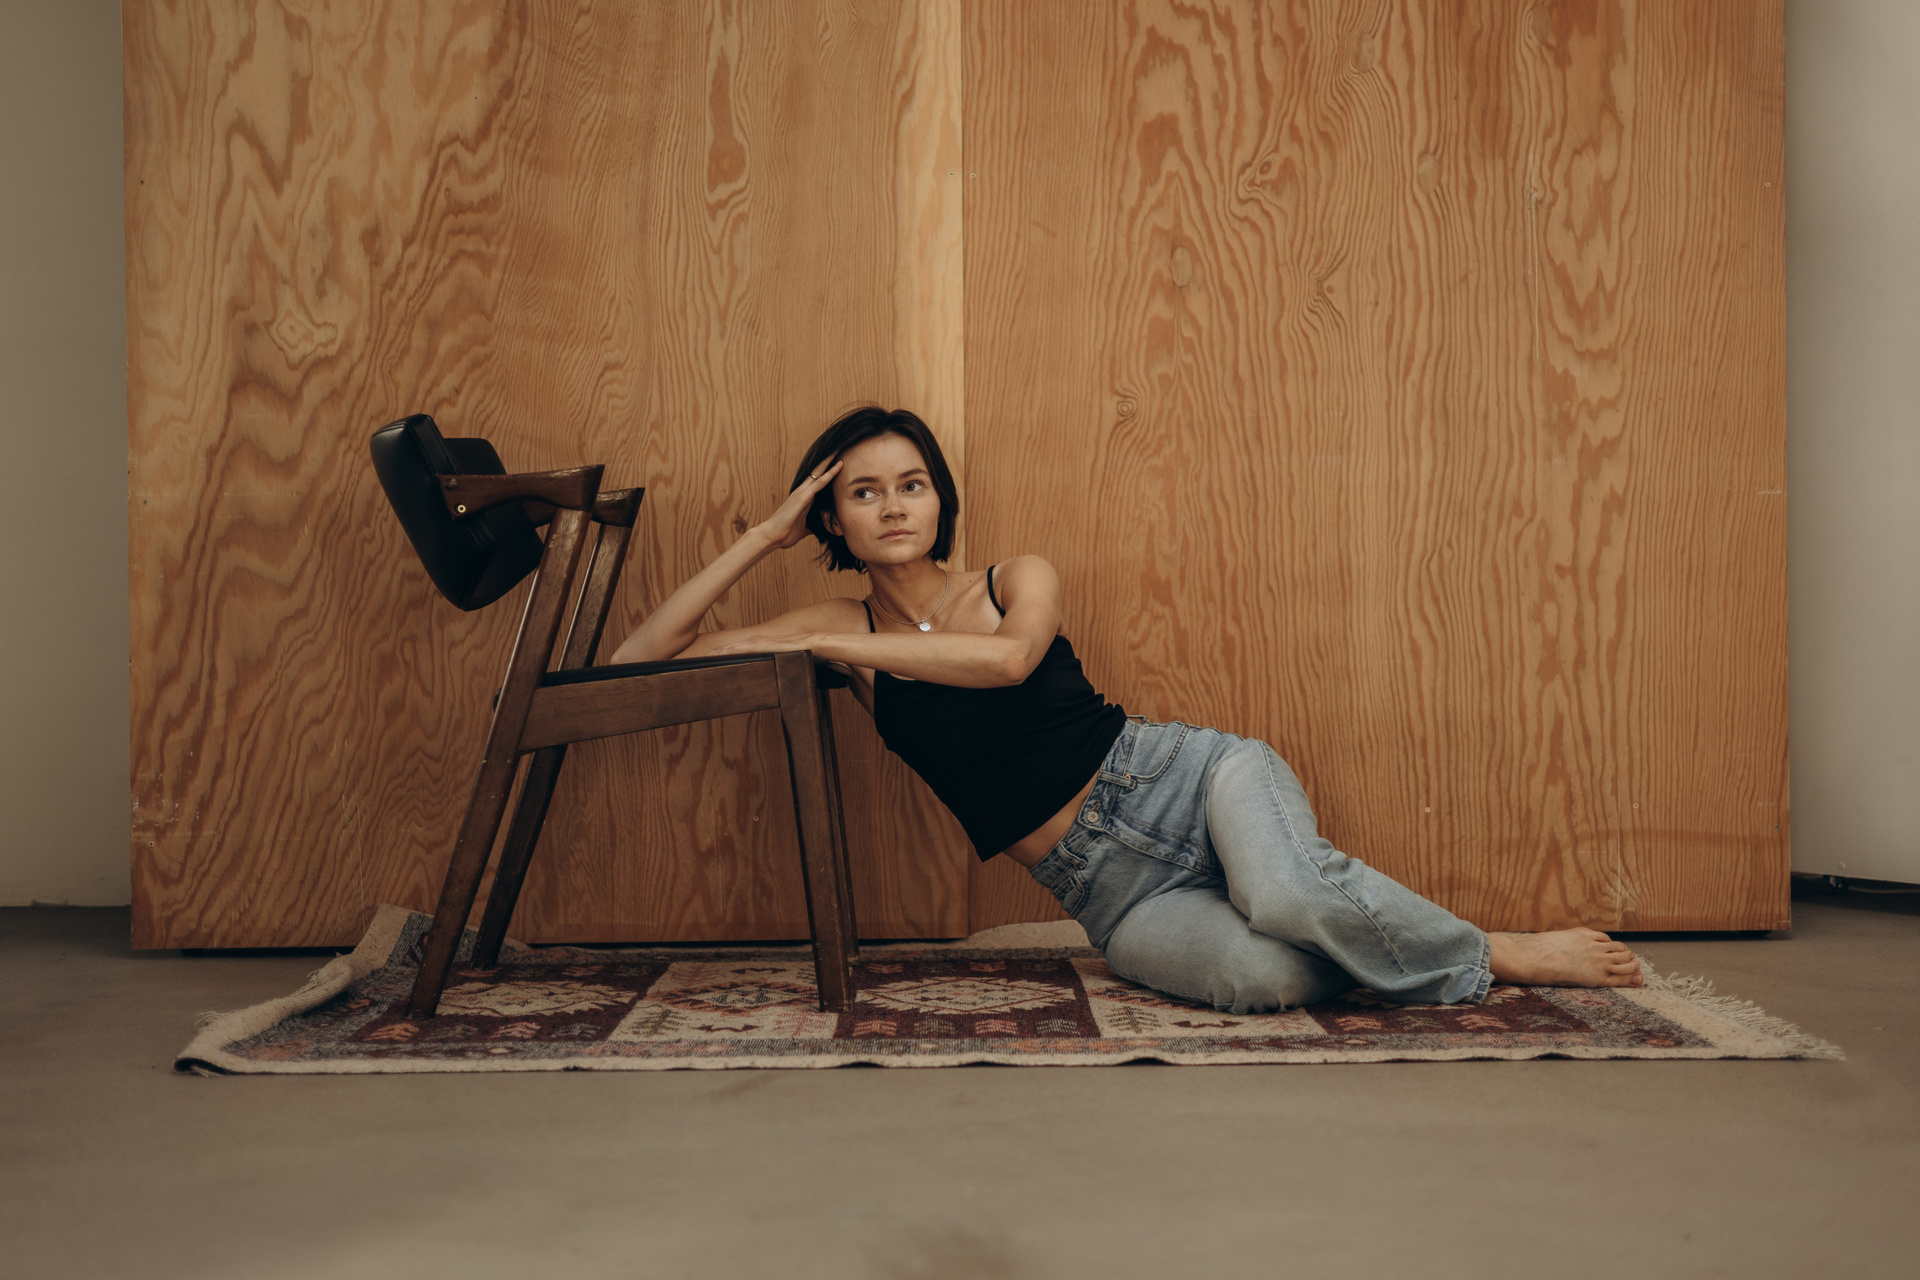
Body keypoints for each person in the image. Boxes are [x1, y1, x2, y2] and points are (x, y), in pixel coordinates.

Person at [609, 406, 1642, 1012]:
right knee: (1266, 976)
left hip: (1188, 780)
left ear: (941, 498)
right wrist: (766, 538)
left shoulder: (1012, 578)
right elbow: (636, 662)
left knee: (1287, 894)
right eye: (863, 492)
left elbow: (1010, 662)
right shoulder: (838, 622)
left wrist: (831, 644)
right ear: (831, 517)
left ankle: (1492, 950)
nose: (892, 506)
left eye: (912, 484)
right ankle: (1351, 929)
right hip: (1107, 891)